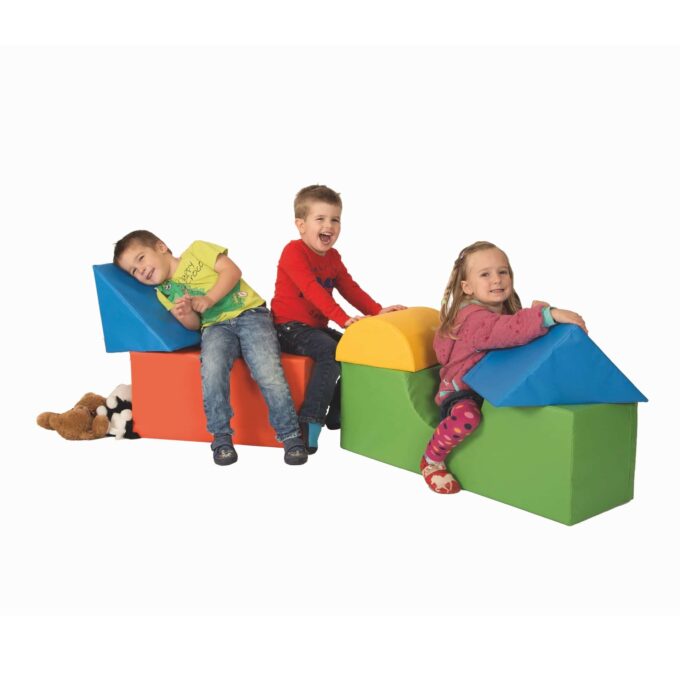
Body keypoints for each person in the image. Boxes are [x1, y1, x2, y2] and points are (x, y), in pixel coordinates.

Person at [113, 230, 308, 466]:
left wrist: (209, 299)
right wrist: (186, 314)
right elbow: (195, 324)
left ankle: (290, 435)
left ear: (161, 247)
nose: (141, 270)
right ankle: (221, 437)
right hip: (214, 327)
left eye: (141, 258)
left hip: (250, 314)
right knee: (212, 372)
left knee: (266, 369)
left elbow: (232, 271)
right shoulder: (165, 292)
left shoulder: (197, 250)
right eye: (133, 271)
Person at [423, 240, 588, 494]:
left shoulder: (497, 311)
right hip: (462, 392)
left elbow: (511, 332)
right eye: (485, 274)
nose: (497, 279)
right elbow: (507, 331)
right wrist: (547, 315)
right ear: (466, 287)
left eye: (503, 271)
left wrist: (534, 315)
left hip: (490, 385)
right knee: (468, 417)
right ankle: (432, 460)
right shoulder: (474, 320)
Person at [271, 184, 405, 453]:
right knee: (331, 351)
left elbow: (349, 287)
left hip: (315, 329)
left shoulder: (333, 257)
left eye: (335, 220)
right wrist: (342, 318)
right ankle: (309, 421)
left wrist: (376, 311)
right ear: (301, 225)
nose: (329, 226)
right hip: (288, 327)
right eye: (320, 219)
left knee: (356, 351)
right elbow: (311, 290)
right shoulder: (293, 251)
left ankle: (337, 411)